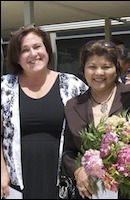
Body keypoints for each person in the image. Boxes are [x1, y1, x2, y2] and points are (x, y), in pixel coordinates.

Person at [1, 24, 88, 199]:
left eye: (37, 46)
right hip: (17, 180)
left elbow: (94, 122)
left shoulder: (72, 85)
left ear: (47, 50)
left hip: (62, 179)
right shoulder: (5, 87)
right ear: (17, 58)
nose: (33, 54)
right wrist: (2, 173)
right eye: (24, 50)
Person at [62, 39, 130, 199]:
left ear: (116, 69)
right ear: (83, 69)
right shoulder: (73, 105)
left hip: (129, 191)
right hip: (90, 192)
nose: (99, 73)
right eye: (92, 67)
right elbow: (68, 151)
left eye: (106, 67)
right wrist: (78, 170)